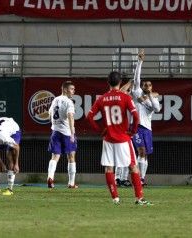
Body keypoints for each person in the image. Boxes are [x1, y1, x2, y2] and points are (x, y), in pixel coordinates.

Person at [86, 71, 151, 205]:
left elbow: (89, 117)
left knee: (109, 168)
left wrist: (100, 131)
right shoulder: (125, 97)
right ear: (120, 82)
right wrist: (132, 131)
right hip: (123, 138)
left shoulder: (102, 99)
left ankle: (115, 198)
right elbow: (136, 116)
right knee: (133, 166)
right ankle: (139, 198)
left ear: (108, 82)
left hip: (108, 138)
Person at [130, 50, 161, 186]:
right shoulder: (137, 92)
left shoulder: (152, 99)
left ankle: (142, 178)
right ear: (142, 86)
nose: (146, 86)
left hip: (147, 129)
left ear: (151, 87)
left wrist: (149, 96)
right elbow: (136, 78)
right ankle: (139, 179)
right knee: (141, 151)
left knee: (145, 154)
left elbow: (157, 109)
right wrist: (140, 61)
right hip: (136, 127)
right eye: (145, 85)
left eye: (149, 85)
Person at [47, 81, 78, 189]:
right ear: (65, 89)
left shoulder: (55, 99)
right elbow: (70, 116)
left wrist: (55, 123)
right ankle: (71, 183)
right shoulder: (68, 102)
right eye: (72, 89)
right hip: (66, 133)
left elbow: (49, 114)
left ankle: (50, 177)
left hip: (55, 131)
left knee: (55, 156)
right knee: (71, 156)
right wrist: (72, 133)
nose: (73, 91)